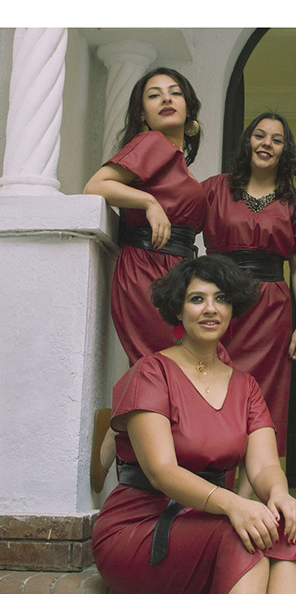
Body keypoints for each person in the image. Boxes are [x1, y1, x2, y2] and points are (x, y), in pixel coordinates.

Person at [92, 255, 296, 594]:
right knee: (242, 535)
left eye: (221, 299)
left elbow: (264, 466)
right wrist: (234, 504)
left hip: (208, 522)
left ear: (233, 310)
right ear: (178, 309)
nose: (211, 309)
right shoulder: (151, 372)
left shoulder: (246, 386)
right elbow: (161, 471)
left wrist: (280, 496)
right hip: (141, 525)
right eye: (197, 299)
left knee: (289, 531)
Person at [84, 67, 207, 493]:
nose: (166, 99)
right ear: (142, 113)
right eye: (154, 95)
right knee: (166, 367)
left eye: (175, 93)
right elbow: (96, 185)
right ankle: (126, 449)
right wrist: (148, 202)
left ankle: (117, 433)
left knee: (173, 369)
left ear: (190, 110)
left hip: (176, 273)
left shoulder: (177, 163)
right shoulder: (151, 143)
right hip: (146, 270)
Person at [202, 113, 296, 464]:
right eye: (259, 135)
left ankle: (253, 489)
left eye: (276, 139)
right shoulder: (214, 189)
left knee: (264, 398)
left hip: (270, 310)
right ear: (247, 142)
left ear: (285, 151)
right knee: (212, 390)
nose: (267, 143)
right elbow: (177, 215)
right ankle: (215, 484)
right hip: (219, 301)